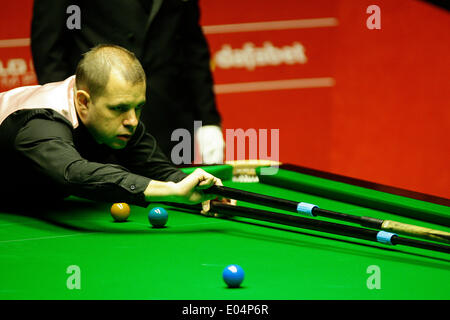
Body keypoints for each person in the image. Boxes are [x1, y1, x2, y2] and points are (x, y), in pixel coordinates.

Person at [0, 45, 222, 214]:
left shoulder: (117, 119)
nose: (133, 121)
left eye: (139, 107)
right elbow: (73, 173)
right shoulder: (39, 122)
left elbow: (159, 172)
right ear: (83, 102)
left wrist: (203, 191)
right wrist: (172, 192)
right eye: (120, 108)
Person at [31, 0, 224, 164]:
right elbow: (48, 49)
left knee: (177, 196)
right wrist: (67, 119)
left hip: (169, 118)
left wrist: (208, 120)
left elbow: (192, 45)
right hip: (97, 127)